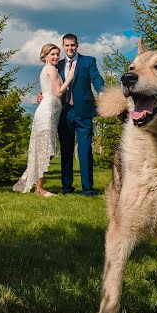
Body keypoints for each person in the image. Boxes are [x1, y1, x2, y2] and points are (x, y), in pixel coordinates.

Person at [13, 43, 75, 196]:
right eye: (52, 54)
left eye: (57, 54)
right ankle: (39, 188)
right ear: (45, 56)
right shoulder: (51, 69)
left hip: (51, 112)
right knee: (46, 151)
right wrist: (70, 78)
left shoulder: (49, 70)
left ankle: (37, 185)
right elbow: (58, 92)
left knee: (45, 150)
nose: (55, 57)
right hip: (47, 113)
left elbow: (49, 90)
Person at [56, 33, 104, 195]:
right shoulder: (58, 64)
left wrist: (102, 92)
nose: (70, 48)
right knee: (66, 149)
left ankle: (87, 188)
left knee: (84, 150)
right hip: (64, 112)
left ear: (77, 45)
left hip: (84, 111)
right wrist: (41, 94)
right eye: (67, 45)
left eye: (72, 45)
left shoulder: (88, 61)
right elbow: (52, 84)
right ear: (63, 46)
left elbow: (96, 78)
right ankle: (67, 187)